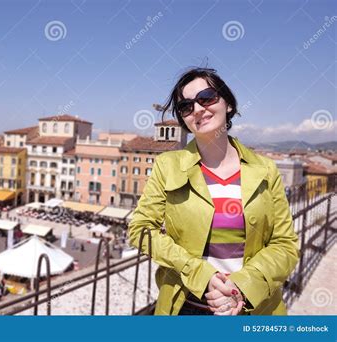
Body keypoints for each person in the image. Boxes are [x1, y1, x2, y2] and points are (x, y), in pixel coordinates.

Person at [128, 67, 299, 316]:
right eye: (186, 106)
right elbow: (141, 229)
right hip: (185, 309)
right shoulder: (167, 166)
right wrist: (199, 273)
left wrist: (243, 286)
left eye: (206, 97)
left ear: (227, 103)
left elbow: (285, 245)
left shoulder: (266, 170)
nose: (197, 109)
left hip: (253, 309)